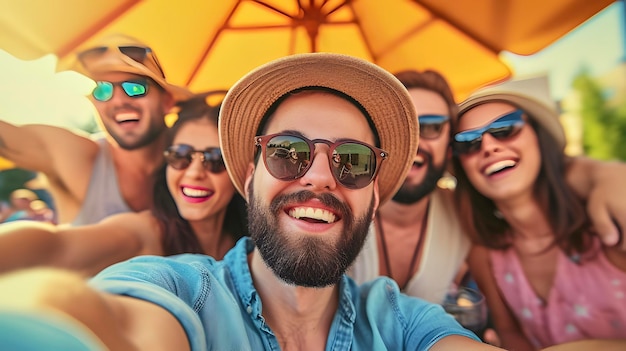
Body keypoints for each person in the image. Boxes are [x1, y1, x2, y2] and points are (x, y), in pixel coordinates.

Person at [0, 53, 503, 350]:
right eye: (288, 152)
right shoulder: (177, 285)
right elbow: (110, 319)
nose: (322, 176)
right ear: (251, 174)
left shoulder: (401, 321)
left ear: (374, 194)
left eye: (353, 160)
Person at [349, 69, 626, 305]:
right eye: (400, 126)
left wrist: (605, 174)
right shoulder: (338, 208)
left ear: (450, 150)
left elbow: (549, 172)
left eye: (431, 127)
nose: (414, 142)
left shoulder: (463, 213)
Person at [450, 88, 626, 350]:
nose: (489, 146)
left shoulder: (605, 222)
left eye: (505, 128)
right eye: (468, 142)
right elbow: (509, 333)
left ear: (538, 137)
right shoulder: (485, 251)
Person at [0, 91, 247, 276]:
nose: (194, 173)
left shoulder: (252, 242)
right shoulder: (149, 233)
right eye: (180, 156)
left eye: (215, 159)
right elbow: (57, 247)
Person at [0, 33, 193, 225]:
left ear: (167, 101)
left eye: (135, 87)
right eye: (103, 90)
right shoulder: (78, 157)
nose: (118, 100)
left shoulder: (199, 164)